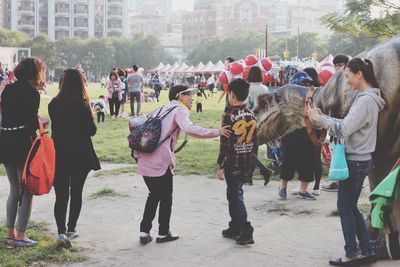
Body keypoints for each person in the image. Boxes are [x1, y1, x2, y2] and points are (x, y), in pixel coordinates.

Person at [308, 58, 384, 266]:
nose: (347, 81)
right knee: (350, 207)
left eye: (348, 76)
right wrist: (324, 117)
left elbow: (343, 129)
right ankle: (366, 250)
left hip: (355, 161)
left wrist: (319, 120)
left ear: (359, 74)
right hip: (360, 160)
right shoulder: (367, 98)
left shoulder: (366, 100)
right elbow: (347, 124)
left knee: (345, 208)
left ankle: (351, 254)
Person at [135, 85, 230, 245]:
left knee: (154, 195)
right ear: (179, 96)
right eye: (188, 94)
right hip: (161, 162)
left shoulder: (162, 108)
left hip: (145, 158)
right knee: (166, 198)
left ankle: (144, 232)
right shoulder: (180, 110)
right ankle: (163, 233)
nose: (192, 97)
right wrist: (216, 131)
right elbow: (189, 129)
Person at [49, 68, 101, 249]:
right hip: (80, 153)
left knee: (61, 195)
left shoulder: (54, 103)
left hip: (59, 153)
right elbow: (91, 131)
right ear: (80, 83)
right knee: (76, 192)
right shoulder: (82, 104)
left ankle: (60, 231)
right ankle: (71, 228)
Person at [0, 57, 47, 247]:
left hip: (5, 139)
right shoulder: (32, 93)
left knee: (14, 189)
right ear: (35, 73)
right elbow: (30, 122)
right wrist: (43, 122)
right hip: (23, 142)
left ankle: (10, 233)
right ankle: (20, 235)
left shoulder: (8, 89)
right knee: (26, 190)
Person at [216, 78, 256, 245]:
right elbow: (255, 139)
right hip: (246, 160)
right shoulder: (251, 113)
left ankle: (246, 230)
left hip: (233, 162)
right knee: (234, 194)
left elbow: (225, 144)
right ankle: (234, 227)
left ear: (231, 95)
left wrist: (220, 166)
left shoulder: (228, 115)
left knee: (235, 196)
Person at [278, 71, 317, 201]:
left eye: (306, 84)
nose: (305, 87)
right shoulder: (286, 100)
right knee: (288, 162)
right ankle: (283, 187)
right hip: (289, 134)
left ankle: (303, 190)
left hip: (307, 135)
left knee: (307, 162)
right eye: (302, 84)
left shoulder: (312, 99)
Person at [322, 55, 350, 192]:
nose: (338, 68)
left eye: (341, 65)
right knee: (337, 152)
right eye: (336, 65)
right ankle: (338, 181)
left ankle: (342, 182)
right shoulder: (334, 80)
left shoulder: (349, 81)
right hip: (335, 122)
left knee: (345, 153)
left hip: (346, 124)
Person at [244, 66, 273, 185]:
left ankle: (263, 172)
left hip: (251, 121)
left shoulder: (250, 89)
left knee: (249, 150)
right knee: (253, 149)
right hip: (264, 121)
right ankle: (251, 176)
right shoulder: (265, 88)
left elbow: (246, 104)